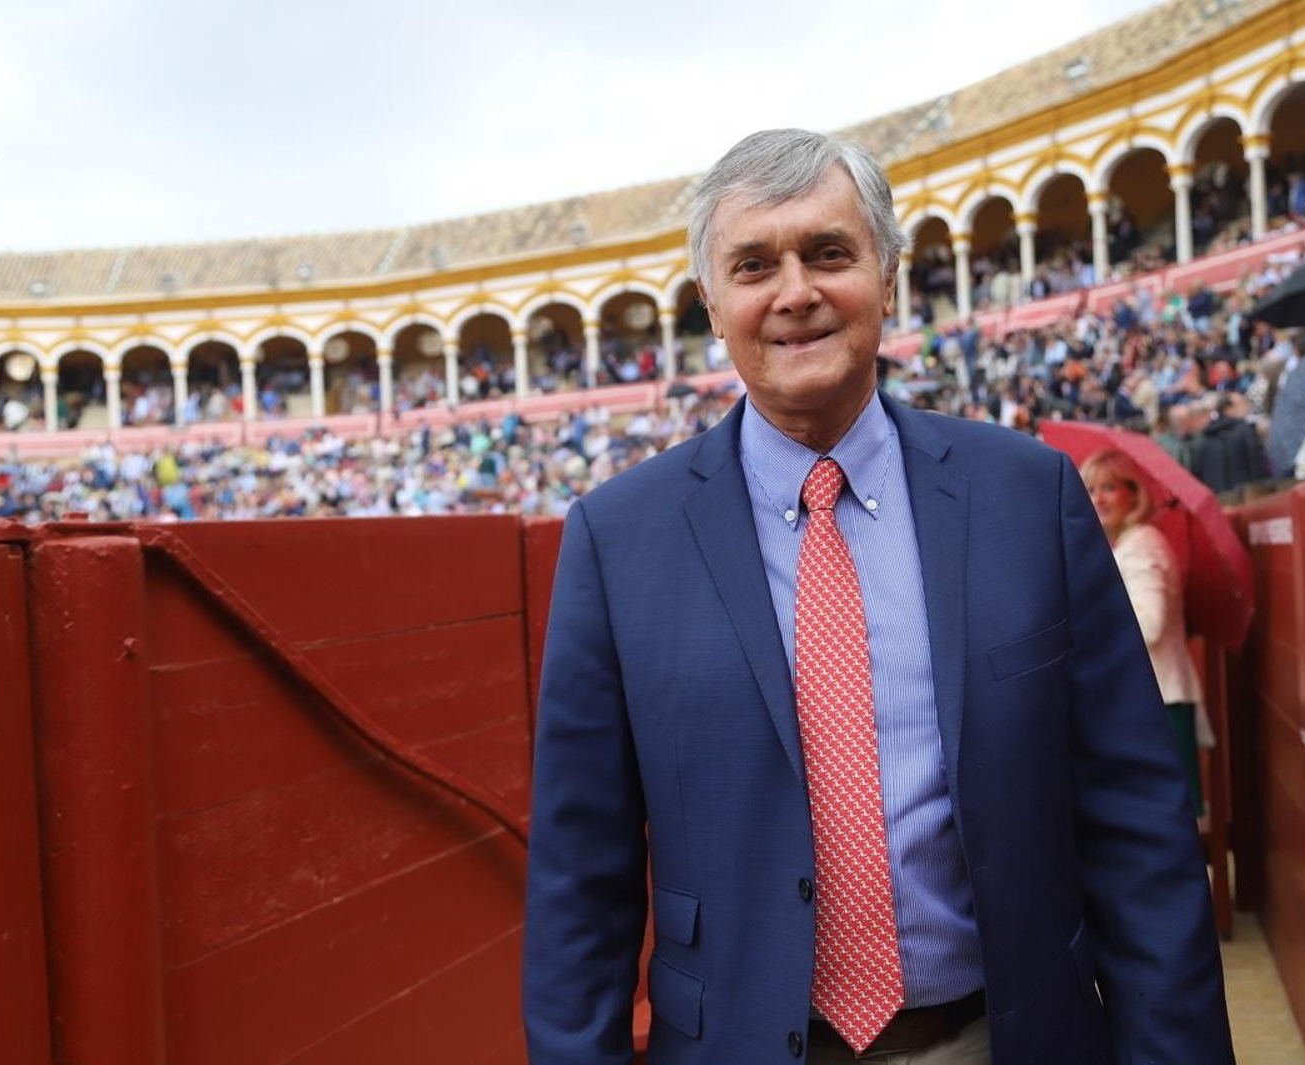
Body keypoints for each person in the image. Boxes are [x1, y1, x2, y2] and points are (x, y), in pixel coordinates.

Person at [522, 129, 1232, 1064]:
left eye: (829, 253)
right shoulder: (620, 539)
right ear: (713, 304)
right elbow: (583, 879)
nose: (796, 292)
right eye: (753, 265)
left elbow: (1137, 829)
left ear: (887, 276)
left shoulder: (1028, 496)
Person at [1080, 449, 1212, 818]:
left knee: (1169, 823)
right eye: (1090, 489)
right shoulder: (1128, 545)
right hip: (1153, 701)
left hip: (1160, 703)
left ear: (1134, 495)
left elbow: (1149, 625)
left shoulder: (1142, 545)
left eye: (1109, 488)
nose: (1098, 499)